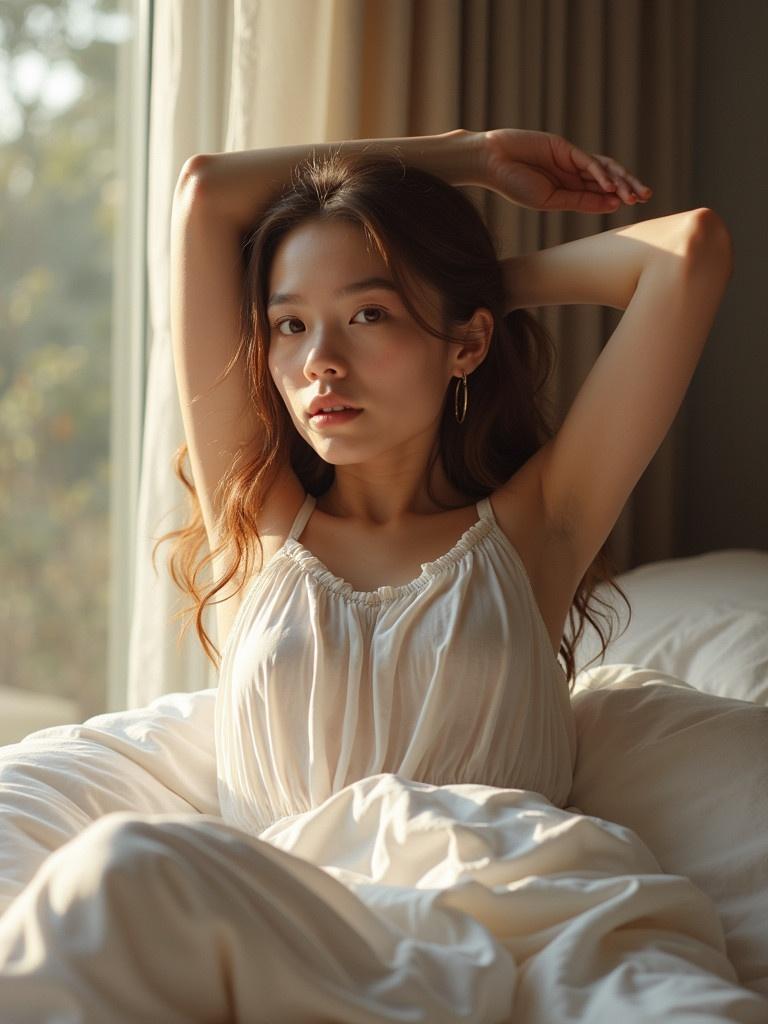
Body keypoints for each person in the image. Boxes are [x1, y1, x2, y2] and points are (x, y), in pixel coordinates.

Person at [0, 129, 754, 1023]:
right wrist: (471, 157)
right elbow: (203, 194)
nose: (320, 359)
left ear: (470, 345)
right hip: (286, 910)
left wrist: (467, 290)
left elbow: (688, 252)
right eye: (290, 324)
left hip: (513, 911)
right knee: (113, 871)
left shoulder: (537, 527)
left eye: (367, 316)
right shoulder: (259, 525)